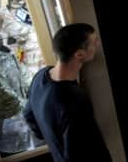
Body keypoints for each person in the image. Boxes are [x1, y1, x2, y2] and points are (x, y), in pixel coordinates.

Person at [23, 24, 111, 162]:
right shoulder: (74, 101)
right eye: (94, 42)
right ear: (79, 54)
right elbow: (77, 155)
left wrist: (52, 138)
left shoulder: (40, 76)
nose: (98, 44)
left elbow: (28, 114)